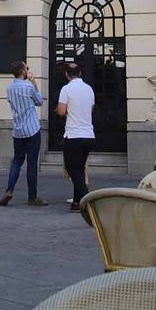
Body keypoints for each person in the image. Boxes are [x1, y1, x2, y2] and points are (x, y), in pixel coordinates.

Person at [1, 61, 47, 207]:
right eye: (27, 68)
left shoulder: (10, 88)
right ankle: (32, 197)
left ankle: (9, 189)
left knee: (17, 161)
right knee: (32, 163)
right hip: (32, 129)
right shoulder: (28, 86)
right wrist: (34, 83)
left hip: (18, 130)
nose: (28, 70)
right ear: (23, 71)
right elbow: (39, 102)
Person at [56, 61, 96, 212]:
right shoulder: (89, 89)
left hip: (73, 134)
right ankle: (77, 203)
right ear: (80, 73)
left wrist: (64, 110)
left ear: (66, 74)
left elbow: (61, 111)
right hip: (88, 134)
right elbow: (91, 108)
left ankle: (88, 200)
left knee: (72, 168)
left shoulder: (66, 89)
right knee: (79, 167)